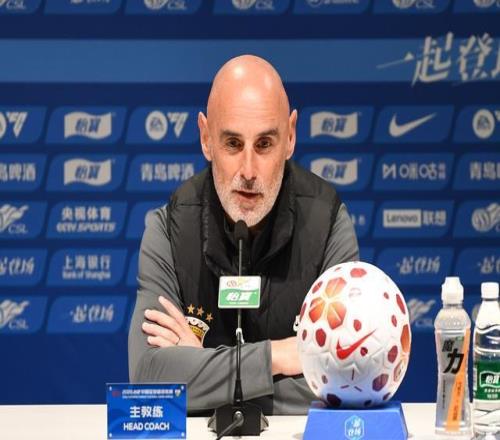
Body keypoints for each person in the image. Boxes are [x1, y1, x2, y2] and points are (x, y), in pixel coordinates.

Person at [128, 55, 359, 415]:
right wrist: (278, 356)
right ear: (206, 138)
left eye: (264, 144)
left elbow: (347, 375)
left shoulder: (327, 224)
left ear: (290, 137)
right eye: (233, 144)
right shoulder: (169, 230)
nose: (248, 171)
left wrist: (203, 372)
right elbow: (149, 378)